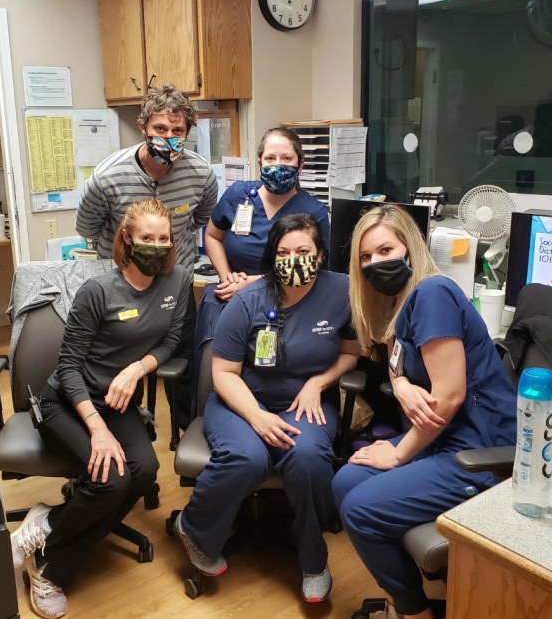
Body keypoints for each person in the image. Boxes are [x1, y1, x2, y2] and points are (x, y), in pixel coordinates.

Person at [331, 204, 517, 619]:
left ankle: (414, 612)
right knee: (345, 480)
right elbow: (395, 362)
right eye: (366, 257)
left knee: (360, 510)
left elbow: (449, 397)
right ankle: (400, 592)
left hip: (482, 453)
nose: (375, 263)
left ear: (410, 248)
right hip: (444, 437)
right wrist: (400, 385)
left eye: (385, 250)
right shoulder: (400, 301)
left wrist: (398, 454)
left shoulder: (433, 294)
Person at [11, 198, 191, 619]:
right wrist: (97, 429)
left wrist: (136, 369)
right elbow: (68, 366)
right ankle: (50, 569)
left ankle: (47, 522)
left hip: (116, 402)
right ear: (127, 238)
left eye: (163, 239)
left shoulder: (178, 281)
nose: (156, 247)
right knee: (110, 480)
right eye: (147, 238)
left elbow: (171, 340)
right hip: (65, 402)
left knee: (144, 471)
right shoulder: (98, 291)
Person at [175, 213, 360, 603]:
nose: (293, 260)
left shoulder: (342, 291)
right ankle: (195, 528)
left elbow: (350, 352)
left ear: (320, 255)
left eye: (303, 251)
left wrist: (318, 382)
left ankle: (313, 560)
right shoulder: (247, 300)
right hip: (242, 398)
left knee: (307, 456)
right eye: (283, 253)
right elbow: (223, 373)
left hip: (304, 400)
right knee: (247, 457)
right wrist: (257, 417)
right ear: (272, 257)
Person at [75, 84, 217, 430]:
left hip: (175, 286)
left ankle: (186, 432)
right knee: (114, 366)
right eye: (160, 128)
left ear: (187, 132)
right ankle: (114, 424)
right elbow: (88, 228)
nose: (169, 137)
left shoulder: (201, 174)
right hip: (122, 289)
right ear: (143, 127)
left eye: (178, 131)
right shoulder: (107, 177)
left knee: (185, 365)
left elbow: (200, 219)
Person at [204, 127, 329, 302]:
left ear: (300, 164)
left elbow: (316, 269)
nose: (277, 165)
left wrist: (251, 285)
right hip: (233, 298)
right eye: (270, 158)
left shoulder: (314, 211)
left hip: (287, 301)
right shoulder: (238, 195)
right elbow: (212, 236)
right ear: (260, 163)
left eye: (286, 158)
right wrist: (228, 279)